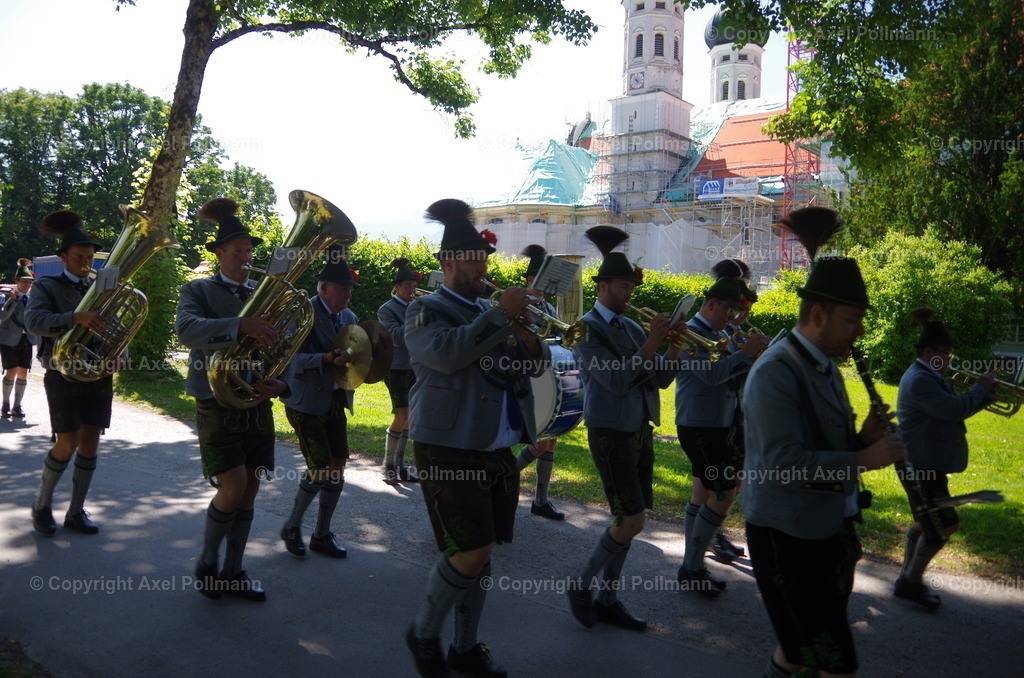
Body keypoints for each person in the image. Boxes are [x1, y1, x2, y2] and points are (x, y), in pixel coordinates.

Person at [403, 198, 549, 678]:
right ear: (447, 262)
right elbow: (445, 355)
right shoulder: (426, 309)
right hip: (447, 442)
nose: (480, 265)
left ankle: (464, 648)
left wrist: (530, 341)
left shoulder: (493, 310)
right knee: (472, 549)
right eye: (471, 258)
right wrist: (499, 318)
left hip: (494, 445)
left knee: (479, 552)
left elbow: (527, 370)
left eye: (483, 258)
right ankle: (424, 633)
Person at [741, 255, 907, 678]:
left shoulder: (822, 365)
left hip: (822, 531)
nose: (860, 331)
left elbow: (820, 445)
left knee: (798, 650)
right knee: (835, 663)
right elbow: (783, 465)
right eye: (852, 320)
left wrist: (862, 440)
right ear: (819, 315)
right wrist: (864, 459)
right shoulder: (776, 372)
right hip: (787, 538)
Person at [567, 226, 684, 632]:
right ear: (602, 286)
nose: (629, 293)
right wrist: (652, 343)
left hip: (638, 428)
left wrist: (672, 345)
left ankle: (608, 598)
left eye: (631, 286)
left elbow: (662, 379)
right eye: (621, 286)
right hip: (610, 429)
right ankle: (581, 585)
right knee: (630, 520)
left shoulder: (633, 327)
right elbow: (614, 380)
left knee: (630, 521)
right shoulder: (587, 329)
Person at [175, 198, 286, 601]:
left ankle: (233, 572)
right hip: (215, 398)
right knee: (233, 484)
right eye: (238, 250)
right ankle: (207, 561)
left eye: (249, 250)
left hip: (256, 399)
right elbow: (186, 331)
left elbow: (281, 347)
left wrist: (281, 383)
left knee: (251, 486)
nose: (245, 256)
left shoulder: (265, 292)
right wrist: (240, 325)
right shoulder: (198, 289)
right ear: (219, 253)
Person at [893, 307, 996, 609]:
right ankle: (910, 581)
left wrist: (981, 393)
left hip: (925, 461)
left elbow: (953, 408)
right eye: (945, 353)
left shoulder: (931, 375)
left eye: (951, 353)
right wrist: (980, 389)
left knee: (926, 522)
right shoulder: (921, 379)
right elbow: (954, 410)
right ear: (927, 352)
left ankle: (906, 579)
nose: (950, 359)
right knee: (944, 524)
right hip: (919, 463)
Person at [675, 277, 768, 594]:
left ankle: (692, 564)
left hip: (722, 421)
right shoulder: (689, 332)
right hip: (698, 423)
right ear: (711, 303)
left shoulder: (722, 332)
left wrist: (754, 356)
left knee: (708, 493)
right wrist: (744, 353)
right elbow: (710, 374)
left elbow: (731, 374)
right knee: (723, 492)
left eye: (734, 310)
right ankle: (692, 567)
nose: (732, 316)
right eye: (728, 308)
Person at [25, 212, 113, 536]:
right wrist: (75, 317)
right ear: (64, 257)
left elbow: (117, 327)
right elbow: (33, 322)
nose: (85, 263)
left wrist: (120, 357)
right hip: (61, 374)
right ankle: (42, 504)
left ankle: (76, 511)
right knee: (67, 443)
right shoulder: (46, 285)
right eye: (79, 257)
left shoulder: (101, 287)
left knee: (90, 443)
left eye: (90, 258)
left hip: (98, 375)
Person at [279, 257, 360, 559]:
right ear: (324, 289)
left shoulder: (348, 315)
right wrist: (326, 359)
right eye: (343, 290)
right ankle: (292, 526)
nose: (348, 296)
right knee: (321, 466)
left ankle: (322, 534)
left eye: (349, 290)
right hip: (305, 401)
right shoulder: (300, 312)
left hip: (335, 400)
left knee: (338, 464)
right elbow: (286, 360)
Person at [513, 243, 565, 520]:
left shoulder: (546, 305)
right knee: (540, 441)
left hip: (549, 376)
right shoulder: (522, 303)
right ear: (531, 279)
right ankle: (504, 476)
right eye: (542, 280)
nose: (547, 286)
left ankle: (541, 499)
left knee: (551, 439)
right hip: (529, 379)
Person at [378, 257, 420, 482]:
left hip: (415, 367)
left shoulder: (417, 306)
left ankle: (401, 466)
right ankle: (388, 465)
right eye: (407, 286)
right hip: (395, 368)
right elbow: (394, 337)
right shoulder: (386, 310)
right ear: (396, 287)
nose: (412, 290)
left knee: (409, 417)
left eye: (414, 286)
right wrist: (415, 316)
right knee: (402, 414)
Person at [1, 259, 37, 419]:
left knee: (23, 371)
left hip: (26, 339)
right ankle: (5, 403)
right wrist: (12, 299)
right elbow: (2, 316)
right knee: (11, 371)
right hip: (8, 339)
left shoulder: (33, 298)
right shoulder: (5, 295)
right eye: (24, 282)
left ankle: (17, 406)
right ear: (16, 281)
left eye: (29, 282)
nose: (27, 285)